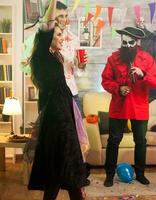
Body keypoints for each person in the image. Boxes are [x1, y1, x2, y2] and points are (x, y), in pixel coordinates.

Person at [28, 0, 88, 199]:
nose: (62, 37)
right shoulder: (44, 55)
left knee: (58, 166)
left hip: (62, 111)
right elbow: (47, 26)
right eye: (58, 34)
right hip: (56, 115)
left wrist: (79, 66)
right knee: (69, 163)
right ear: (48, 38)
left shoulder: (55, 57)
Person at [101, 26, 156, 187]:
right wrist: (118, 88)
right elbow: (105, 81)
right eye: (124, 42)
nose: (127, 46)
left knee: (140, 141)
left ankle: (140, 173)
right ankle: (109, 174)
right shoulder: (113, 59)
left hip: (139, 106)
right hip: (118, 106)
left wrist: (144, 74)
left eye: (131, 42)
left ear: (138, 42)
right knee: (113, 141)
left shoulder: (147, 59)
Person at [54, 1, 87, 115]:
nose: (64, 19)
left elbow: (78, 71)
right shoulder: (47, 39)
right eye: (60, 16)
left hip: (72, 91)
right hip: (53, 93)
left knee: (75, 129)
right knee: (54, 131)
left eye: (66, 16)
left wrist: (81, 66)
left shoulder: (74, 39)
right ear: (53, 18)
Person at [135, 16, 156, 102]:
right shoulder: (133, 36)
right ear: (136, 22)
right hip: (137, 68)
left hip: (149, 67)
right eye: (139, 21)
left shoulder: (149, 36)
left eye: (143, 21)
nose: (141, 23)